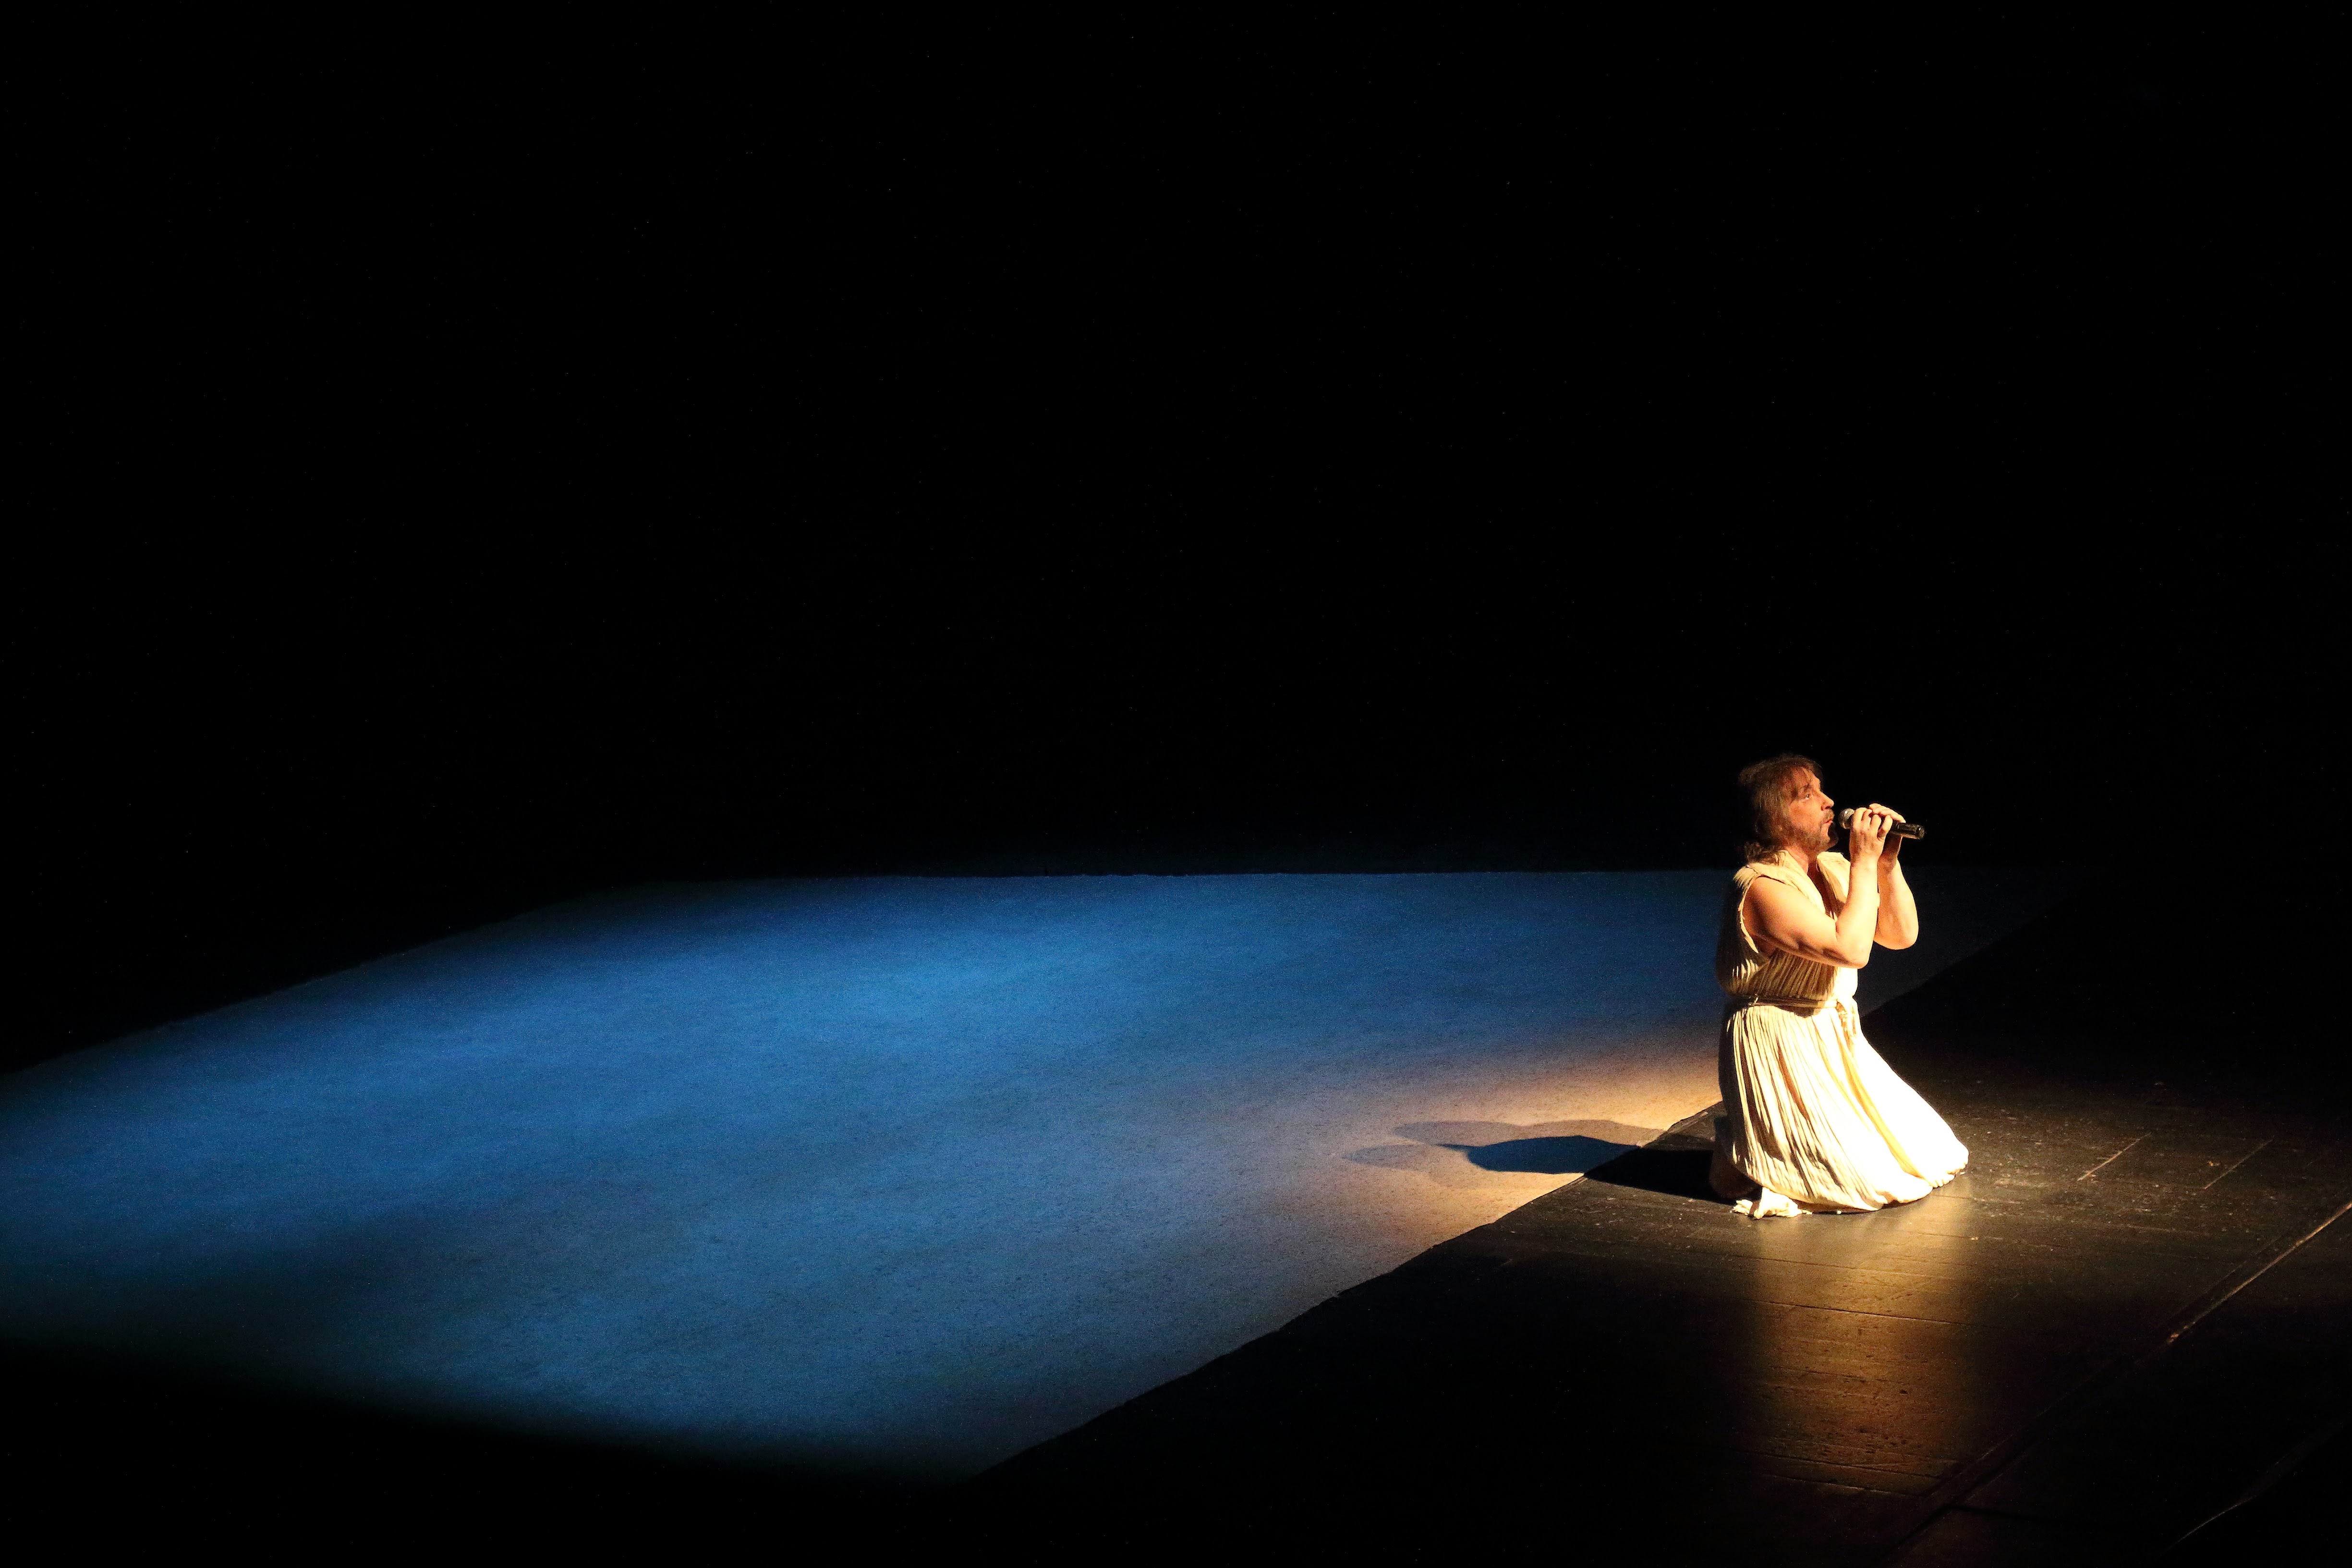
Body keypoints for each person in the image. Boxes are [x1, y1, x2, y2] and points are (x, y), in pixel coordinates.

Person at [1708, 755, 1969, 1218]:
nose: (1829, 801)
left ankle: (1758, 1143)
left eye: (1821, 788)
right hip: (1781, 1039)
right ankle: (1746, 1152)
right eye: (1807, 795)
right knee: (1867, 1183)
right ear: (1773, 819)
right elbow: (1850, 950)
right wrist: (1863, 863)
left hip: (1832, 1033)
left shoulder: (1831, 866)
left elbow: (1900, 935)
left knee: (1934, 1154)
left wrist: (1885, 865)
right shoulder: (1761, 886)